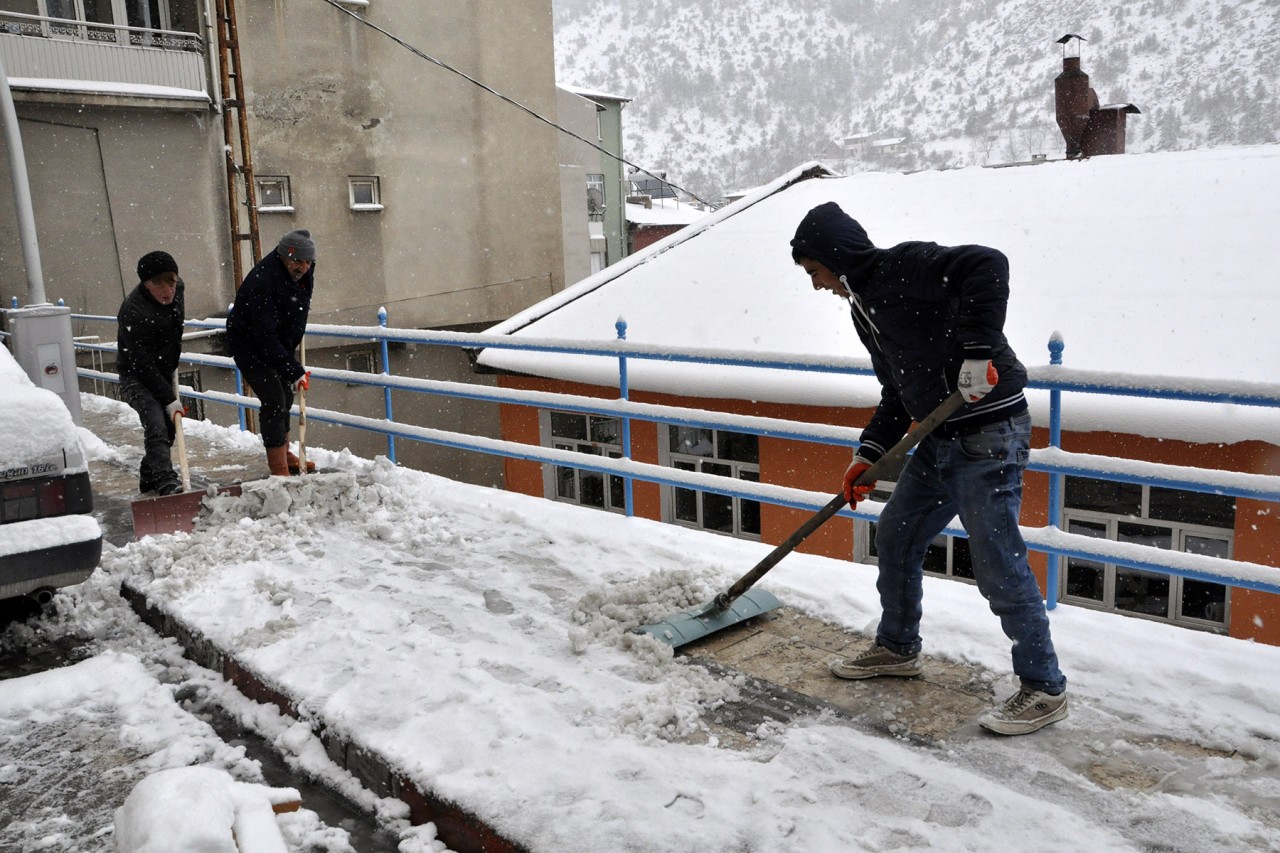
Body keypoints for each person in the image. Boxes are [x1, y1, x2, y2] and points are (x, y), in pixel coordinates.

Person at [790, 201, 1068, 736]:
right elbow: (898, 391)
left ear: (834, 259)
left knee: (996, 562)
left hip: (989, 434)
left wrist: (975, 352)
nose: (817, 285)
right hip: (939, 437)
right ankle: (897, 647)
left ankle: (1044, 687)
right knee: (895, 534)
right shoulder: (863, 309)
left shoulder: (904, 266)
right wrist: (868, 454)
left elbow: (987, 264)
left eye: (815, 272)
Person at [226, 229, 317, 477]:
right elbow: (263, 335)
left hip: (277, 341)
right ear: (284, 256)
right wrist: (294, 369)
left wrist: (289, 355)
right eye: (298, 261)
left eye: (308, 262)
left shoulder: (301, 273)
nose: (304, 268)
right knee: (275, 399)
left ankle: (285, 452)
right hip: (249, 345)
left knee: (285, 398)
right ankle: (278, 466)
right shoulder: (263, 282)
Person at [117, 250, 186, 496]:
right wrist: (168, 398)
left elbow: (176, 325)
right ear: (146, 285)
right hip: (135, 375)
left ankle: (148, 476)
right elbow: (141, 364)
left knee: (168, 430)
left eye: (172, 283)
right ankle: (167, 483)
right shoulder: (133, 312)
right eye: (160, 286)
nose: (168, 292)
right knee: (156, 424)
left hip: (163, 369)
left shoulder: (178, 290)